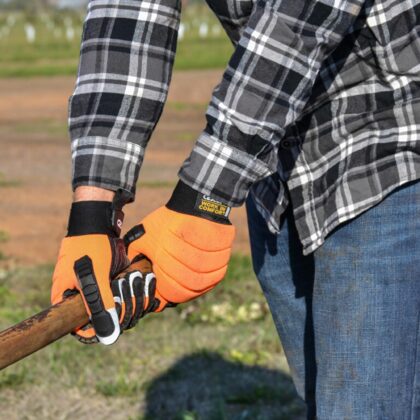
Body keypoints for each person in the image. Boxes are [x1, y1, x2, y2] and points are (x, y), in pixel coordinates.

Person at [51, 0, 420, 418]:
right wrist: (92, 213)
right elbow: (127, 15)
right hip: (279, 143)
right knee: (326, 400)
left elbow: (301, 17)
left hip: (388, 123)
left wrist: (203, 199)